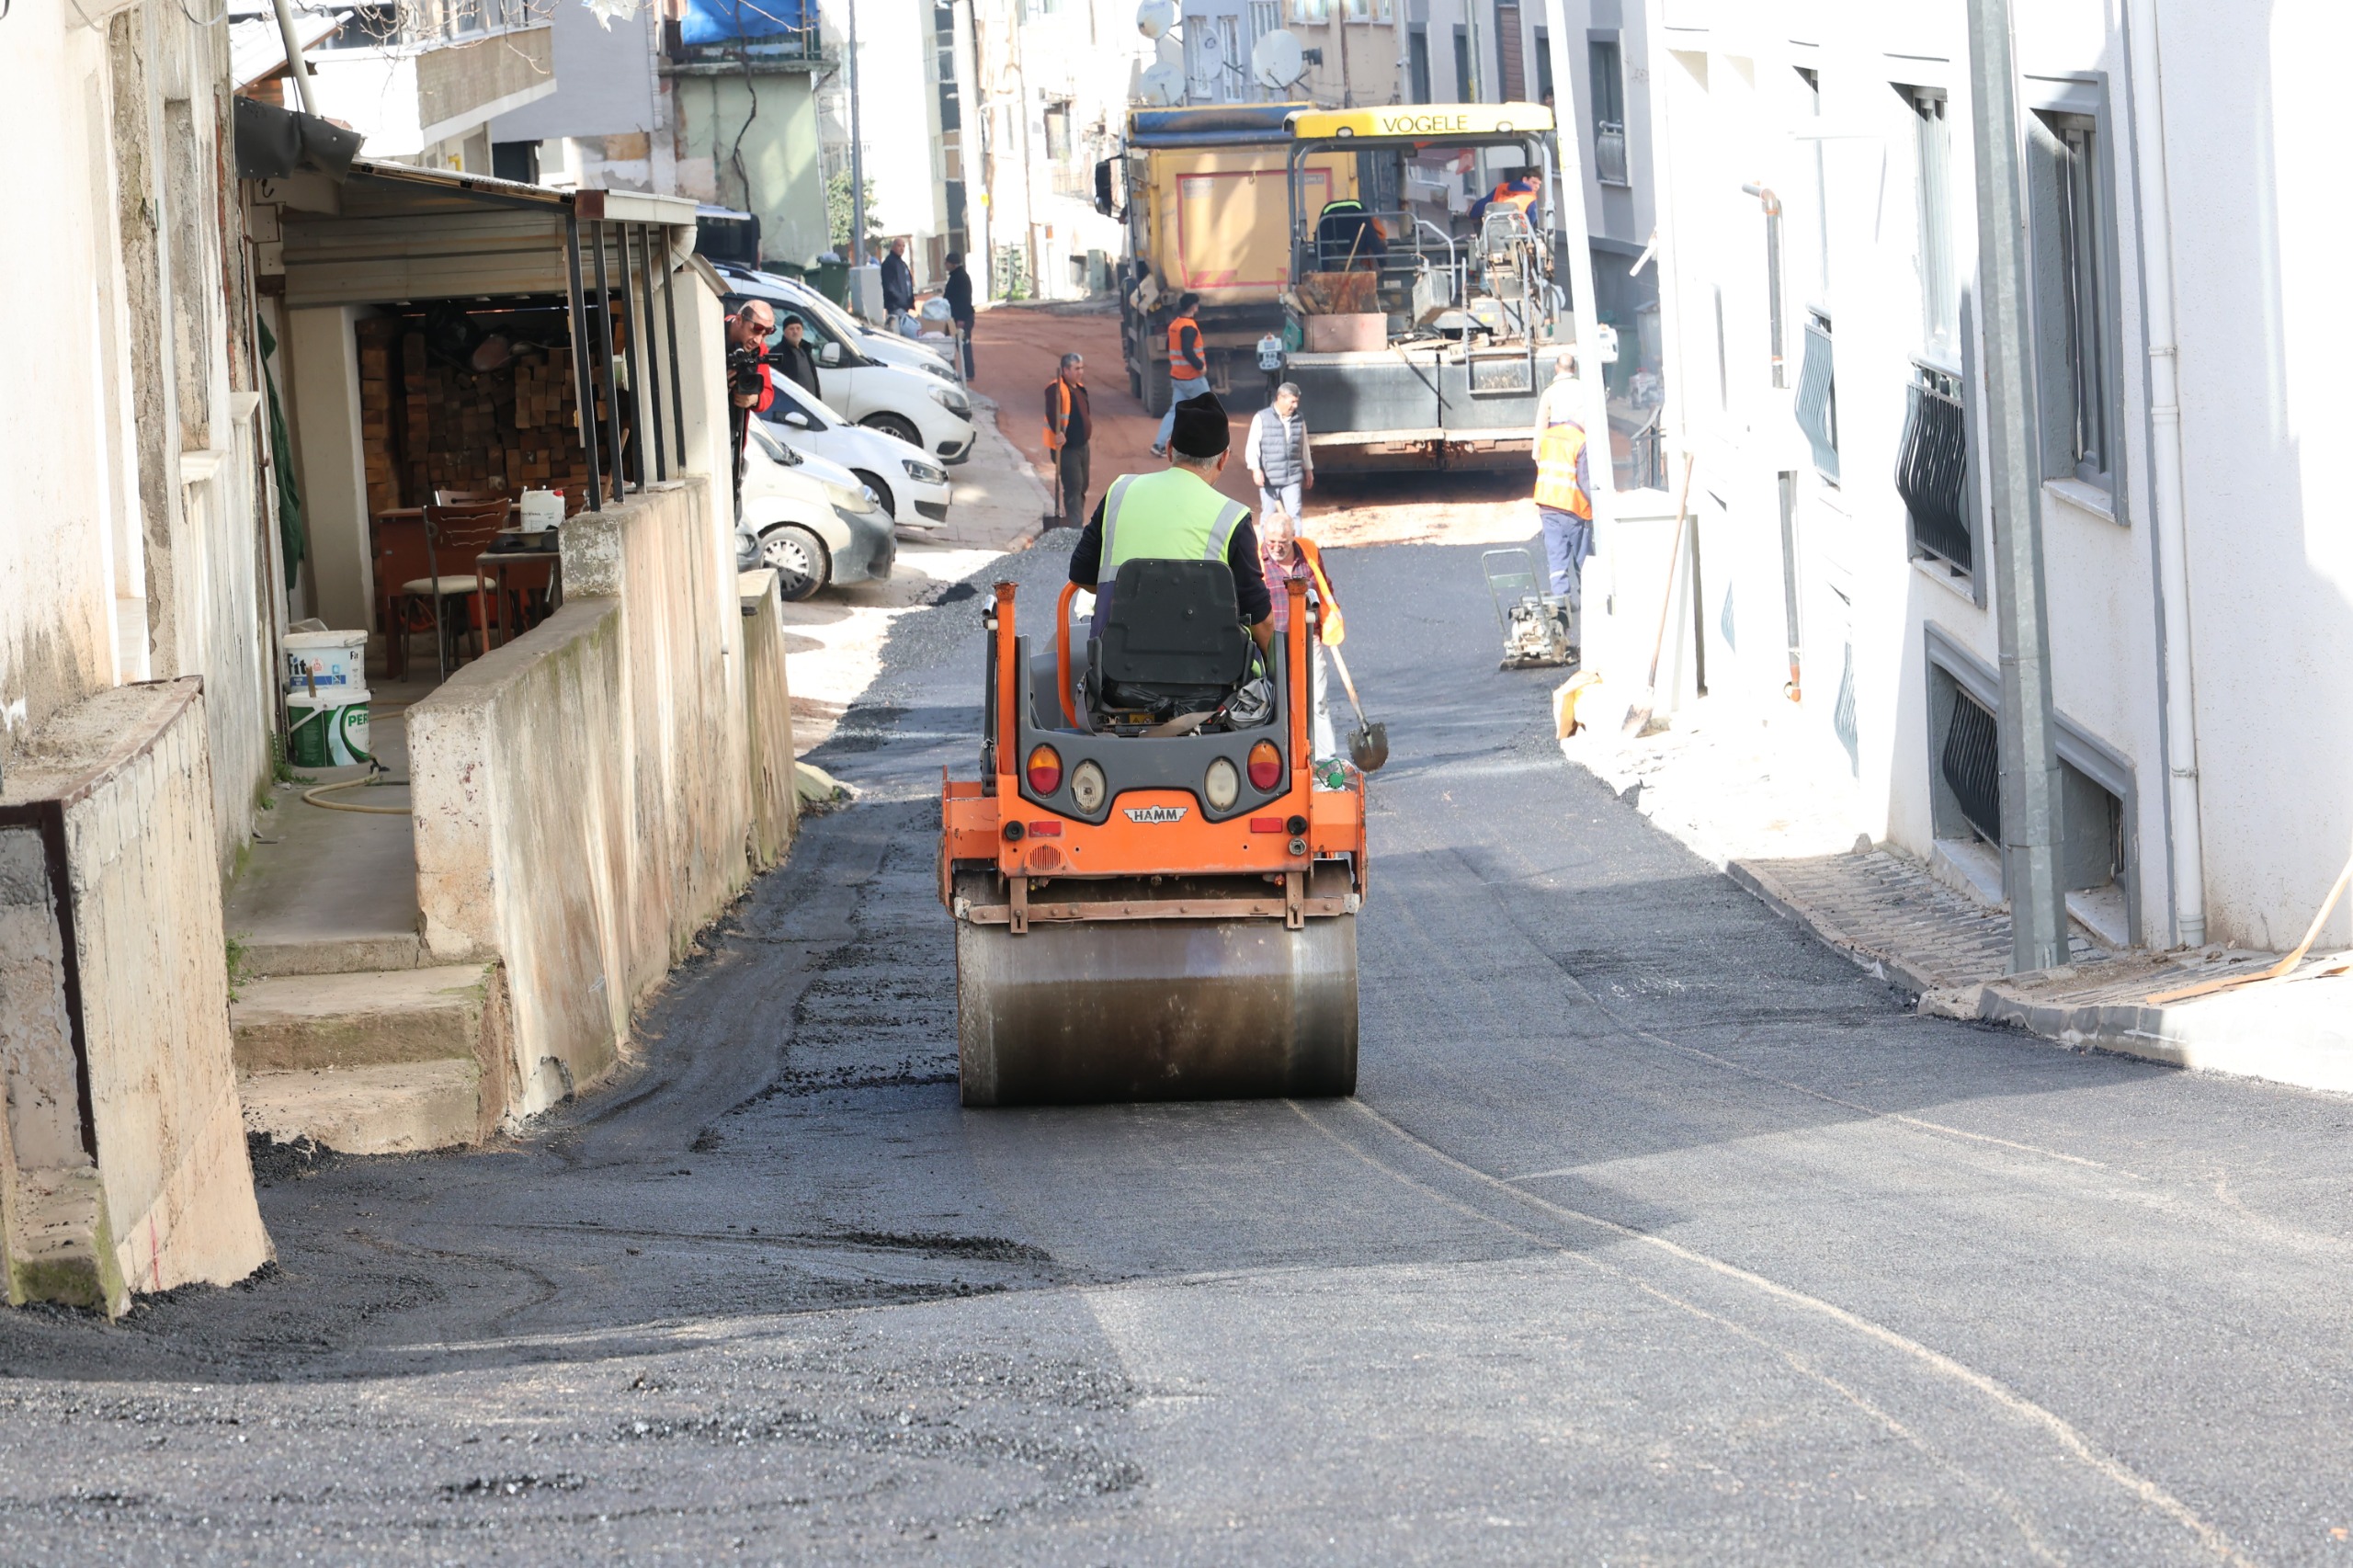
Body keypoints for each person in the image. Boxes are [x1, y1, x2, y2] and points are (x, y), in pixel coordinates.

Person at [1070, 392, 1273, 654]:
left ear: (1168, 449)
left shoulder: (1120, 491)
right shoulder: (1232, 517)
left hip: (1113, 672)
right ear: (1223, 459)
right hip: (1209, 682)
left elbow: (1081, 574)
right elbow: (1260, 620)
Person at [1259, 506, 1343, 765]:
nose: (1276, 547)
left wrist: (1327, 624)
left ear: (1293, 537)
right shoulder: (1256, 559)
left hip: (1309, 639)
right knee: (1278, 703)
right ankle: (1285, 760)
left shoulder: (1308, 552)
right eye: (1271, 542)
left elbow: (1325, 587)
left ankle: (1326, 762)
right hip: (1273, 643)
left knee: (1317, 700)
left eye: (1282, 542)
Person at [1533, 391, 1596, 650]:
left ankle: (1561, 631)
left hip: (1547, 507)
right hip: (1573, 510)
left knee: (1557, 569)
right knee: (1586, 565)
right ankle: (1595, 620)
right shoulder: (1581, 441)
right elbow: (1585, 482)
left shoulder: (1548, 436)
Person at [724, 299, 777, 512]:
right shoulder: (711, 331)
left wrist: (753, 399)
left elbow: (768, 393)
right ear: (738, 320)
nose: (758, 339)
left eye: (765, 333)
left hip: (734, 442)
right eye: (755, 330)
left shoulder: (759, 348)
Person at [1152, 292, 1217, 458]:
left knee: (1175, 412)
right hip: (1192, 378)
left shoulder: (1175, 325)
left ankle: (1159, 445)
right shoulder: (1189, 327)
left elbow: (1169, 346)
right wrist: (1200, 366)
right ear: (1194, 307)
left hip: (1178, 377)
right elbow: (1187, 350)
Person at [1245, 381, 1313, 526]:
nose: (1295, 406)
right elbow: (1252, 446)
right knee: (1268, 517)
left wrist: (1308, 469)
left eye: (1297, 402)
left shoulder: (1299, 419)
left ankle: (1296, 547)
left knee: (1294, 515)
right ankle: (1267, 549)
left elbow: (1304, 446)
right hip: (1270, 478)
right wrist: (1255, 469)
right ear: (1280, 398)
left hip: (1292, 477)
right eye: (1292, 401)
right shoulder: (1261, 418)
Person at [1041, 351, 1092, 527]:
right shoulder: (1055, 389)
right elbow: (1051, 412)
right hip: (1067, 449)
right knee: (1074, 486)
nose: (1080, 372)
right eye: (1076, 368)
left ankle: (1074, 522)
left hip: (1082, 446)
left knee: (1083, 485)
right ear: (1065, 370)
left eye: (1081, 368)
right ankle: (1075, 528)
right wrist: (1058, 432)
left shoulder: (1079, 388)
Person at [943, 252, 976, 380]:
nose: (945, 265)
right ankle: (964, 372)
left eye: (947, 262)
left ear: (952, 264)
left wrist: (961, 319)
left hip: (963, 317)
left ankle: (969, 373)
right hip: (956, 317)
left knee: (964, 345)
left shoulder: (961, 277)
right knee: (957, 344)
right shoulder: (956, 276)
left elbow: (964, 300)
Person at [772, 314, 823, 398]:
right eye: (791, 329)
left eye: (798, 328)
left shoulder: (806, 350)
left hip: (811, 403)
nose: (795, 331)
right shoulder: (777, 353)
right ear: (784, 332)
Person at [1472, 167, 1544, 225]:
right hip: (1517, 233)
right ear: (1525, 180)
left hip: (1494, 227)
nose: (1537, 187)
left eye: (1539, 184)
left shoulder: (1501, 188)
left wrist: (1472, 214)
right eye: (1534, 183)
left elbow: (1482, 205)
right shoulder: (1530, 198)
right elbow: (1532, 220)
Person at [881, 237, 916, 337]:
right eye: (899, 246)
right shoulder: (889, 263)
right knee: (898, 334)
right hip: (895, 306)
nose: (901, 248)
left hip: (904, 305)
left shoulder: (902, 264)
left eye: (903, 246)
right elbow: (889, 285)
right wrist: (900, 298)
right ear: (893, 247)